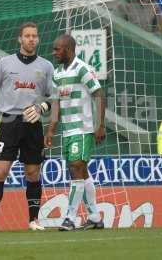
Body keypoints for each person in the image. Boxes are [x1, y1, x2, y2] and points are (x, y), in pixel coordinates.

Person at [0, 22, 53, 232]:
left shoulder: (46, 66)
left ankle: (34, 220)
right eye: (27, 36)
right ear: (19, 39)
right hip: (8, 121)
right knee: (0, 171)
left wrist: (42, 107)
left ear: (37, 39)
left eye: (34, 36)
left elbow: (55, 95)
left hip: (33, 124)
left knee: (33, 173)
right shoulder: (4, 63)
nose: (31, 39)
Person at [44, 34, 105, 231]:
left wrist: (100, 125)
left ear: (68, 49)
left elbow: (99, 94)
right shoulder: (57, 74)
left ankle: (70, 218)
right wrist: (51, 130)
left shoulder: (82, 69)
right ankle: (95, 217)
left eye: (57, 49)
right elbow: (56, 103)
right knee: (80, 172)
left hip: (83, 128)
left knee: (76, 168)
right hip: (68, 131)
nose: (54, 53)